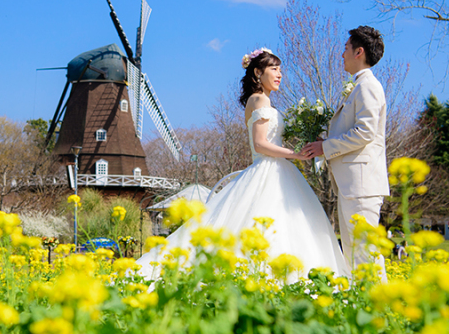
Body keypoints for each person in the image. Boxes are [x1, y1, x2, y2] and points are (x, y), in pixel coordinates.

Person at [136, 48, 350, 281]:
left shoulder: (263, 100)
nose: (280, 74)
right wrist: (296, 155)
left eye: (280, 70)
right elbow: (259, 144)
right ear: (258, 72)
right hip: (268, 169)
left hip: (279, 170)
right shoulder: (258, 99)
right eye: (274, 69)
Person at [302, 26, 389, 281]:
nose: (342, 55)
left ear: (358, 52)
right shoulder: (360, 87)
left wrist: (325, 148)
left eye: (345, 48)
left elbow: (365, 132)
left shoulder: (368, 87)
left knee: (365, 253)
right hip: (352, 185)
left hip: (362, 185)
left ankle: (382, 311)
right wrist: (325, 141)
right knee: (353, 254)